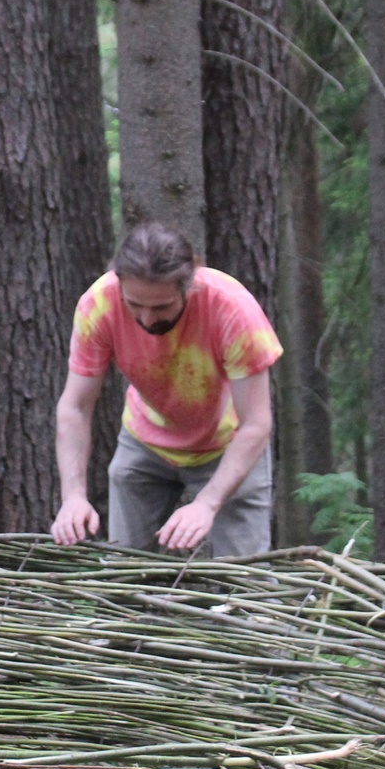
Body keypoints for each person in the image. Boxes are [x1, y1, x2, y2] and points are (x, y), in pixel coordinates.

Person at [52, 223, 282, 558]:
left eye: (161, 307)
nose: (146, 318)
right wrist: (73, 496)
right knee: (126, 573)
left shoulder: (233, 310)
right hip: (145, 440)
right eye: (134, 305)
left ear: (190, 286)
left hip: (228, 443)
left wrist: (206, 503)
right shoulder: (98, 305)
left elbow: (257, 424)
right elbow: (75, 407)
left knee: (246, 581)